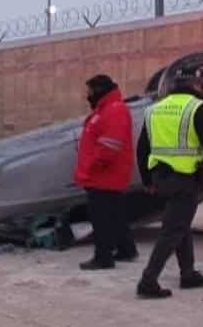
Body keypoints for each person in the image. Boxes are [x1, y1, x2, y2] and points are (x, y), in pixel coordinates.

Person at [135, 66, 203, 299]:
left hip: (161, 177)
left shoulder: (154, 110)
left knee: (181, 224)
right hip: (185, 178)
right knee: (172, 231)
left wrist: (147, 180)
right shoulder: (195, 109)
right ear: (195, 87)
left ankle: (187, 274)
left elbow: (142, 149)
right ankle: (148, 281)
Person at [74, 74, 138, 270]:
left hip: (104, 176)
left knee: (101, 218)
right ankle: (127, 250)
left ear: (100, 89)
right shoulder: (106, 110)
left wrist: (93, 166)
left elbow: (110, 146)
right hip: (105, 175)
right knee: (115, 214)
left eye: (90, 91)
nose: (88, 95)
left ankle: (103, 257)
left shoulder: (114, 110)